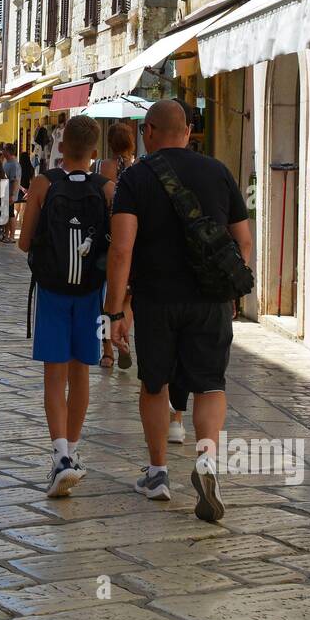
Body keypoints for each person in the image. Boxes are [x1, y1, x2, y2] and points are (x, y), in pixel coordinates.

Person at [106, 100, 252, 519]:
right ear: (187, 131)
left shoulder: (135, 178)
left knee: (155, 385)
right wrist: (230, 291)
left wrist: (115, 312)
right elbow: (243, 241)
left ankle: (157, 474)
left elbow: (121, 249)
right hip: (210, 300)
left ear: (148, 131)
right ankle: (206, 461)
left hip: (156, 300)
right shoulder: (219, 172)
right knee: (210, 384)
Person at [18, 115, 113, 498]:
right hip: (91, 294)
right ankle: (72, 453)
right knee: (81, 376)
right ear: (94, 151)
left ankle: (58, 457)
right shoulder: (107, 189)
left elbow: (24, 243)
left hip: (53, 291)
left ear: (61, 146)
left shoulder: (42, 185)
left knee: (54, 378)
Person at [96, 121, 138, 374]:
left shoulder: (100, 168)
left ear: (110, 143)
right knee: (126, 298)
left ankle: (107, 352)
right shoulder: (138, 170)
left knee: (104, 299)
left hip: (102, 241)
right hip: (128, 240)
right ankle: (125, 341)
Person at [2, 143, 22, 242]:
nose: (2, 151)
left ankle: (12, 236)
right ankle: (6, 235)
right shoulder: (7, 162)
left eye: (4, 149)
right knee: (7, 214)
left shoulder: (14, 164)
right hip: (5, 193)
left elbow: (15, 180)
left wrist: (12, 194)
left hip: (10, 193)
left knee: (10, 214)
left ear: (8, 151)